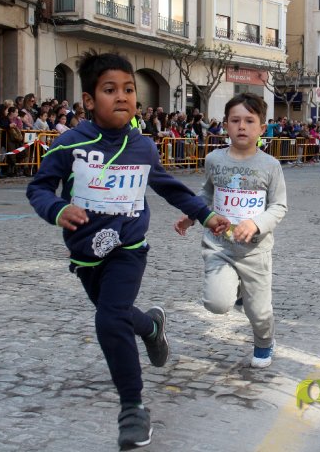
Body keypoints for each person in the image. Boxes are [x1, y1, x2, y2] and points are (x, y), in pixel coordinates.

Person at [26, 51, 230, 451]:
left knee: (108, 318)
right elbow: (39, 188)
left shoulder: (143, 148)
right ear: (88, 100)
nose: (122, 96)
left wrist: (206, 215)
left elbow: (170, 188)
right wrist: (58, 209)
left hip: (128, 248)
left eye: (129, 89)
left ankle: (133, 408)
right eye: (110, 89)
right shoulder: (70, 144)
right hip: (86, 254)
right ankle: (151, 327)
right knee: (116, 313)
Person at [174, 93, 287, 368]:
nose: (242, 126)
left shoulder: (270, 166)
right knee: (216, 303)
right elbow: (206, 193)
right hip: (219, 247)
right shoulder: (214, 159)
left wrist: (256, 223)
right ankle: (234, 291)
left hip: (255, 252)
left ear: (262, 128)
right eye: (235, 120)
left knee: (259, 312)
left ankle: (264, 343)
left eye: (249, 121)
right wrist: (192, 215)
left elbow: (279, 206)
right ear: (226, 125)